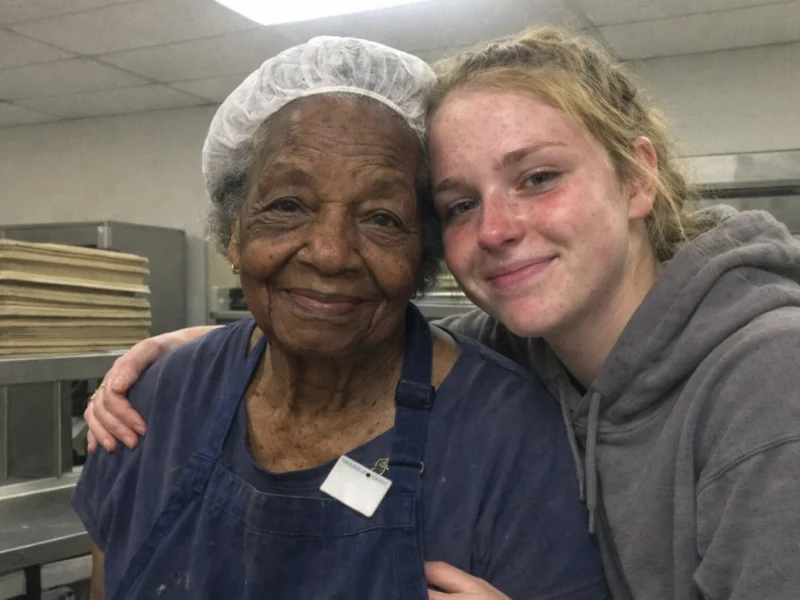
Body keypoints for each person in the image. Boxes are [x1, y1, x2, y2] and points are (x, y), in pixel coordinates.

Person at [85, 26, 800, 600]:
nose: (496, 229)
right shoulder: (538, 348)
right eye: (460, 204)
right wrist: (211, 346)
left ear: (638, 176)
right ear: (234, 233)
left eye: (539, 177)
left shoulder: (770, 385)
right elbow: (363, 333)